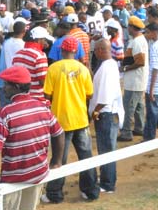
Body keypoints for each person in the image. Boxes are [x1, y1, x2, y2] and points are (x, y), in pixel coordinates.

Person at [0, 66, 64, 210]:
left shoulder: (5, 113)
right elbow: (59, 133)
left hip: (13, 179)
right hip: (38, 174)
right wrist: (56, 161)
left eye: (7, 84)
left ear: (16, 87)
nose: (4, 87)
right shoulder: (43, 107)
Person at [42, 37, 99, 203]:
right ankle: (90, 191)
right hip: (80, 119)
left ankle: (54, 194)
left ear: (62, 50)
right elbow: (89, 94)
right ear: (76, 51)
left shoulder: (53, 68)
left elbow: (47, 95)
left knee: (59, 159)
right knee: (86, 156)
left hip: (60, 121)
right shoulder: (83, 69)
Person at [89, 39, 125, 194]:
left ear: (101, 50)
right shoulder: (109, 65)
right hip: (109, 113)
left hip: (106, 114)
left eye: (96, 50)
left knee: (106, 149)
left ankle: (108, 183)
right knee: (106, 148)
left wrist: (95, 111)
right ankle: (106, 178)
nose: (95, 53)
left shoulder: (106, 68)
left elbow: (104, 97)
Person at [118, 16, 149, 142]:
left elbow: (140, 62)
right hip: (137, 80)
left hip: (135, 80)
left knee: (129, 106)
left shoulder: (137, 42)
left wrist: (126, 68)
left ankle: (126, 132)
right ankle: (139, 127)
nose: (128, 29)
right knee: (138, 106)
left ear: (132, 27)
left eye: (129, 27)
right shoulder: (139, 40)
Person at [12, 26, 54, 103]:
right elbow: (42, 82)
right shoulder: (40, 55)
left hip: (20, 97)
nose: (45, 42)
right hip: (36, 99)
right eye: (44, 39)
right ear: (38, 40)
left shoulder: (17, 54)